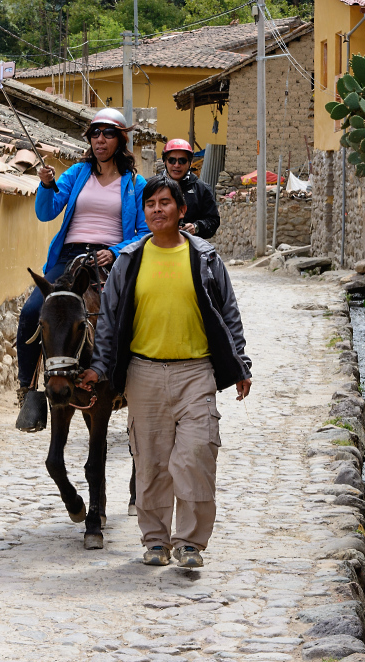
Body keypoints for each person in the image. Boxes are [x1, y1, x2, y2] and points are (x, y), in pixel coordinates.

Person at [78, 174, 252, 568]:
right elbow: (107, 321)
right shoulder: (129, 261)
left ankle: (190, 543)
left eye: (165, 203)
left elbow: (228, 313)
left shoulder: (205, 257)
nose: (158, 210)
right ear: (144, 212)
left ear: (181, 210)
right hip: (144, 373)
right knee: (152, 461)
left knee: (195, 455)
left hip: (196, 372)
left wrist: (241, 363)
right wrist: (101, 367)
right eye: (151, 204)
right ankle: (155, 541)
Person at [15, 108, 149, 427]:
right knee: (34, 310)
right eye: (95, 133)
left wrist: (116, 251)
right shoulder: (76, 174)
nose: (100, 139)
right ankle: (28, 390)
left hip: (112, 257)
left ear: (120, 139)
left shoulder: (135, 182)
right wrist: (47, 186)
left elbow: (144, 232)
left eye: (108, 133)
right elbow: (46, 213)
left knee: (138, 311)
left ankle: (136, 384)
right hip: (69, 257)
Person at [161, 139, 220, 239]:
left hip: (191, 249)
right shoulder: (151, 187)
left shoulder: (202, 189)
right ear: (164, 161)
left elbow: (213, 221)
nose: (177, 165)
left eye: (182, 161)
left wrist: (196, 227)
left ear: (190, 162)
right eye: (172, 160)